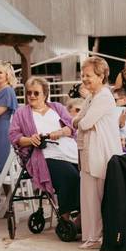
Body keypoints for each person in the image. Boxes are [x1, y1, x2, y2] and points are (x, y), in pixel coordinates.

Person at [9, 77, 80, 222]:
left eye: (36, 93)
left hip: (69, 150)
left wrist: (59, 132)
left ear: (45, 94)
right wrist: (30, 140)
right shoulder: (21, 113)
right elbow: (14, 136)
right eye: (29, 93)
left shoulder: (56, 107)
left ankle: (81, 217)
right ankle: (65, 218)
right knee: (69, 175)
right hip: (43, 154)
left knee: (84, 177)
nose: (32, 96)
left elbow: (72, 127)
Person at [73, 56, 122, 249]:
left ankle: (97, 235)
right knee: (88, 195)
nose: (84, 79)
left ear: (101, 76)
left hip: (101, 151)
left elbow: (83, 122)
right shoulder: (92, 97)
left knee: (97, 194)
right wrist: (80, 121)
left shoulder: (104, 97)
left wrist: (80, 121)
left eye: (88, 75)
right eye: (83, 75)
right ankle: (92, 235)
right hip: (89, 149)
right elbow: (76, 119)